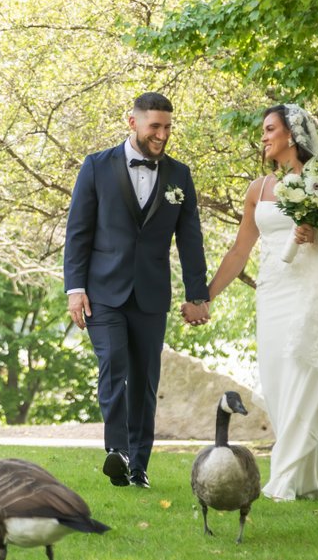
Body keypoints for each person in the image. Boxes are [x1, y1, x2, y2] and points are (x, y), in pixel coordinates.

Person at [202, 103, 318, 501]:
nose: (265, 136)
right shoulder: (258, 189)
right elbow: (240, 251)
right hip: (272, 292)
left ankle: (282, 481)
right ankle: (309, 482)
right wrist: (205, 296)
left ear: (292, 134)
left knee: (305, 378)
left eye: (271, 129)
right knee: (277, 382)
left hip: (313, 292)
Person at [64, 92, 210, 489]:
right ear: (133, 122)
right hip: (102, 291)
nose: (162, 135)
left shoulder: (179, 175)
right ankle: (118, 451)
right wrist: (74, 289)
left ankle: (139, 466)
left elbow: (190, 238)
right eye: (154, 127)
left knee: (145, 381)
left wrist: (197, 294)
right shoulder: (96, 166)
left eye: (167, 127)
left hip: (150, 292)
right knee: (113, 364)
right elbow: (78, 230)